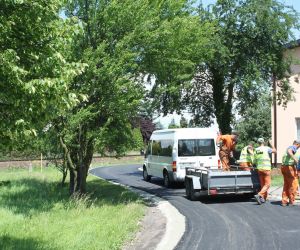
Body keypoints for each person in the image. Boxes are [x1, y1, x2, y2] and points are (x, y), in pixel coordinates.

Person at [253, 138, 276, 205]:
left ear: (258, 143)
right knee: (268, 184)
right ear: (264, 142)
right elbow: (275, 151)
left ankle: (263, 198)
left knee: (263, 184)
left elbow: (254, 160)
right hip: (266, 168)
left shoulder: (256, 150)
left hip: (259, 169)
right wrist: (271, 144)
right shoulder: (267, 148)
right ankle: (259, 194)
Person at [280, 140, 300, 206]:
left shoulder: (289, 149)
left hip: (284, 167)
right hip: (289, 168)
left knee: (286, 184)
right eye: (299, 146)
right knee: (293, 184)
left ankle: (284, 201)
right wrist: (295, 159)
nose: (298, 148)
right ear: (297, 144)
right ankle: (291, 201)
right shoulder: (293, 147)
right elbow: (289, 151)